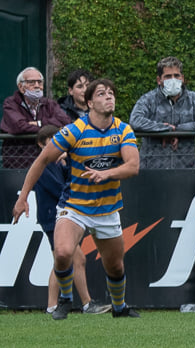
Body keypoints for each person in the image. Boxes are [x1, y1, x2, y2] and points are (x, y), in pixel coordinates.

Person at [11, 78, 141, 319]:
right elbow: (41, 160)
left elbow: (133, 166)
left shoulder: (123, 129)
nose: (109, 97)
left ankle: (119, 307)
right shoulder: (74, 130)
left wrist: (106, 173)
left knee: (115, 265)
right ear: (90, 102)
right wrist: (24, 197)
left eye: (111, 93)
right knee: (62, 252)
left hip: (107, 209)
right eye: (102, 94)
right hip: (74, 206)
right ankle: (66, 300)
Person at [32, 124, 104, 316]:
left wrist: (67, 160)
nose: (58, 144)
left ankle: (52, 306)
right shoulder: (44, 164)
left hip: (59, 216)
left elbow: (70, 178)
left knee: (63, 259)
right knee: (75, 258)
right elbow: (60, 188)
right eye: (52, 141)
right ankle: (86, 304)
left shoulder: (58, 163)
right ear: (41, 144)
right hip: (51, 218)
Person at [129, 56, 195, 169]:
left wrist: (179, 129)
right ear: (159, 80)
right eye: (168, 76)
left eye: (176, 76)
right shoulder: (148, 99)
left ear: (182, 78)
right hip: (151, 170)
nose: (173, 79)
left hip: (185, 169)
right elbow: (135, 120)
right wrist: (164, 129)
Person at [2, 67, 70, 170]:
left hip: (47, 162)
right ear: (21, 87)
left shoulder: (49, 103)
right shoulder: (10, 104)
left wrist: (39, 123)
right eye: (32, 82)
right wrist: (49, 128)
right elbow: (19, 126)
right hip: (19, 162)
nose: (37, 86)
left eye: (39, 82)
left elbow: (65, 121)